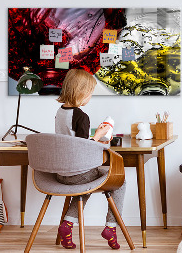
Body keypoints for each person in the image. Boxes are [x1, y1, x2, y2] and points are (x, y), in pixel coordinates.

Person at [55, 69, 125, 250]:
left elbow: (72, 141)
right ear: (81, 92)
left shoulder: (60, 112)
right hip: (78, 173)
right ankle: (111, 227)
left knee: (85, 185)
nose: (90, 97)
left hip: (61, 173)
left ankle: (67, 225)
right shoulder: (81, 116)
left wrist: (94, 136)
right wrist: (100, 135)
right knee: (120, 181)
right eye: (90, 93)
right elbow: (83, 148)